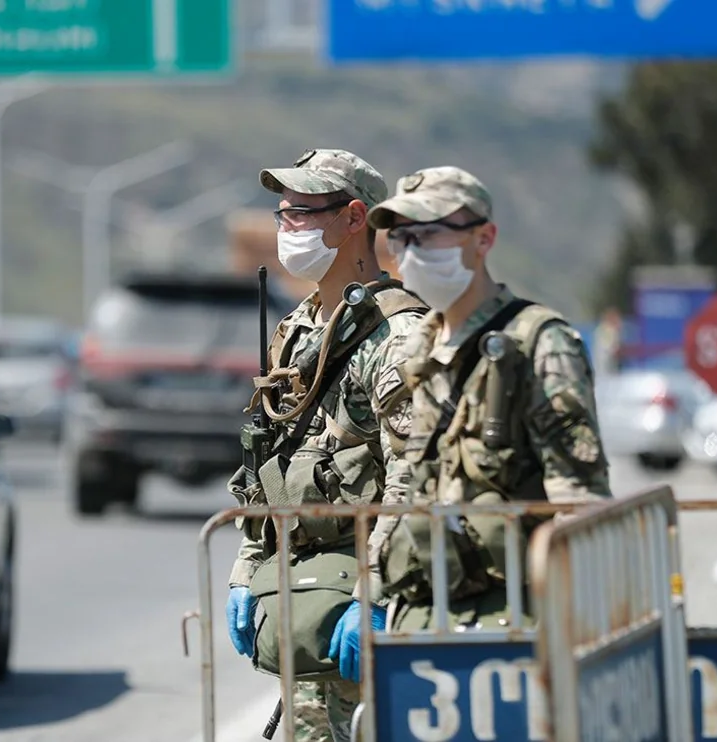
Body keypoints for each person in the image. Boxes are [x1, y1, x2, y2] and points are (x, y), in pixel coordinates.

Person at [225, 149, 428, 742]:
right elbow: (266, 460)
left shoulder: (398, 334)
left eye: (303, 213)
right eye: (282, 215)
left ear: (354, 217)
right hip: (309, 599)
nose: (288, 227)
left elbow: (411, 475)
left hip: (368, 598)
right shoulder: (300, 329)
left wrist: (376, 588)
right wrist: (249, 565)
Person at [364, 165, 613, 631]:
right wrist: (372, 586)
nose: (412, 251)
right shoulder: (420, 346)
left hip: (514, 616)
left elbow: (578, 503)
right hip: (424, 608)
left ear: (483, 239)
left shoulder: (538, 343)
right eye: (401, 237)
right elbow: (411, 481)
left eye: (431, 233)